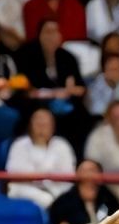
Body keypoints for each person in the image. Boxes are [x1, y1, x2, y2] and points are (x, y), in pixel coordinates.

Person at [21, 17, 92, 149]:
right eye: (47, 32)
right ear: (39, 35)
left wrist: (69, 91)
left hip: (65, 104)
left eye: (55, 32)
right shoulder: (27, 55)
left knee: (81, 117)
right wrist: (55, 93)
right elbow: (28, 91)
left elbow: (81, 88)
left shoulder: (68, 58)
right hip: (37, 104)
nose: (52, 36)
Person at [6, 107, 78, 209]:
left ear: (53, 127)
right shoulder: (20, 144)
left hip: (57, 193)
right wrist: (48, 176)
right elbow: (15, 173)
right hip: (25, 191)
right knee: (46, 199)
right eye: (38, 123)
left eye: (45, 124)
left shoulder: (62, 145)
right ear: (31, 125)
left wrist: (38, 176)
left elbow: (68, 174)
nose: (42, 127)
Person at [47, 157, 119, 224]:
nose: (88, 176)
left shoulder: (109, 199)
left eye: (92, 171)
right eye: (84, 171)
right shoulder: (62, 204)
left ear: (100, 178)